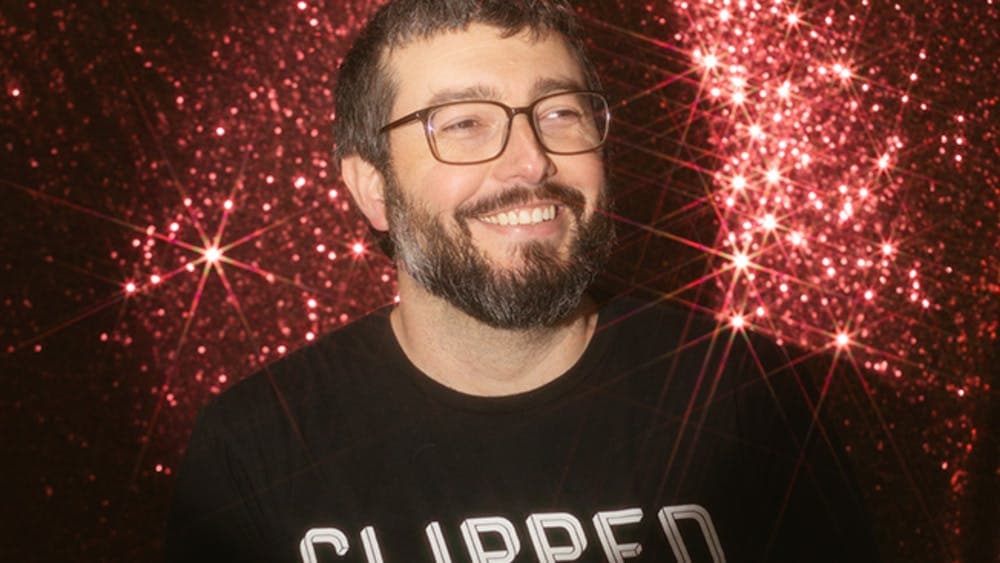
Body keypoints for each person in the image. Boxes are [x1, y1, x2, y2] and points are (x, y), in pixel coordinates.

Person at [166, 1, 880, 561]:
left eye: (559, 112)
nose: (532, 163)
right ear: (371, 188)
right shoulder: (254, 447)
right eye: (465, 123)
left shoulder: (748, 396)